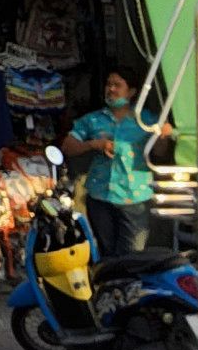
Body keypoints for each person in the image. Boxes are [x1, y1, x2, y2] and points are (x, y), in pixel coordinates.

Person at [60, 67, 171, 259]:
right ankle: (111, 288)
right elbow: (68, 146)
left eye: (117, 85)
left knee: (134, 254)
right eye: (108, 85)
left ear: (132, 92)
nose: (111, 89)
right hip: (100, 196)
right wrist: (94, 144)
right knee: (107, 252)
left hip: (135, 197)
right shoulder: (93, 120)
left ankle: (128, 286)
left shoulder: (147, 120)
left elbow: (160, 152)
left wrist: (164, 136)